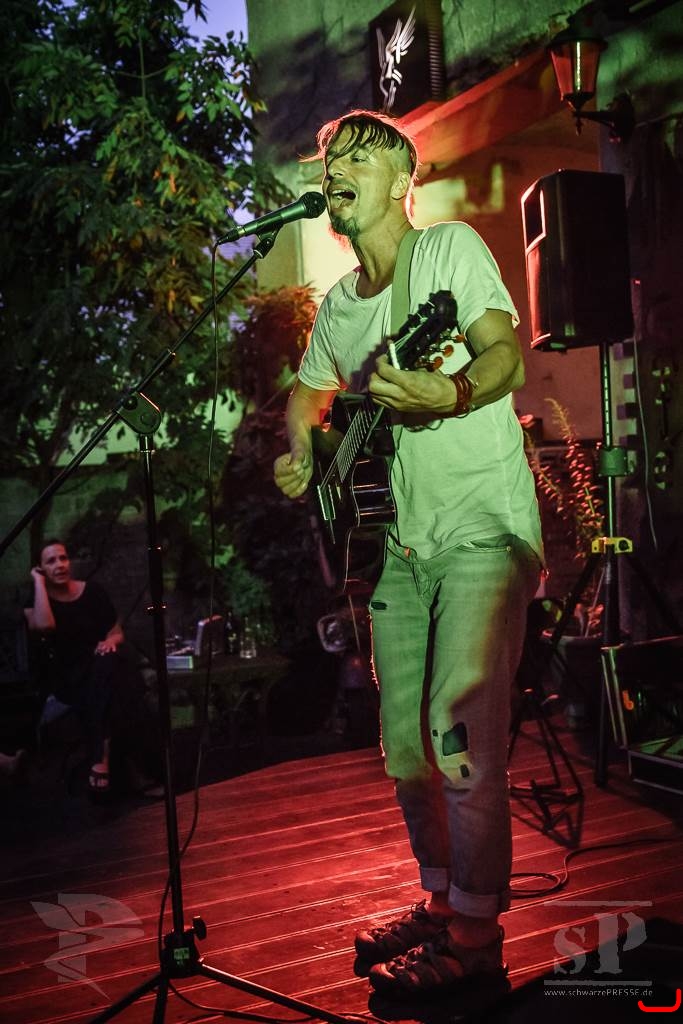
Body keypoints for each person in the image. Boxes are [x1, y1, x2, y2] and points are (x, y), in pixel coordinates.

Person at [273, 110, 544, 998]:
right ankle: (440, 900)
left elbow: (506, 353)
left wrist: (450, 390)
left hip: (481, 529)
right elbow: (307, 394)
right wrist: (303, 450)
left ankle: (476, 940)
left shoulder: (446, 253)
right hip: (398, 542)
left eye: (358, 158)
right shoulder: (340, 308)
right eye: (330, 161)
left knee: (458, 734)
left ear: (399, 183)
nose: (337, 170)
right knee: (402, 748)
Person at [24, 539, 124, 795]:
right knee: (116, 683)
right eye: (51, 561)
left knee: (110, 665)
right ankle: (126, 767)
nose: (59, 565)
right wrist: (38, 583)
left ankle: (101, 759)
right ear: (40, 568)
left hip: (99, 668)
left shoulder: (93, 592)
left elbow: (116, 633)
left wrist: (110, 642)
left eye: (63, 558)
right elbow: (44, 625)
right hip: (65, 678)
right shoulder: (36, 599)